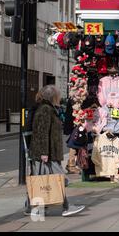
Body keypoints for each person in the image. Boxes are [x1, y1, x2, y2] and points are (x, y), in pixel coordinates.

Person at [26, 85, 85, 216]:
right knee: (58, 180)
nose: (59, 98)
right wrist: (44, 153)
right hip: (47, 153)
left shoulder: (48, 109)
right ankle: (66, 207)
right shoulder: (46, 109)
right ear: (52, 97)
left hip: (47, 152)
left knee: (44, 181)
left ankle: (34, 208)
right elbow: (42, 132)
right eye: (58, 95)